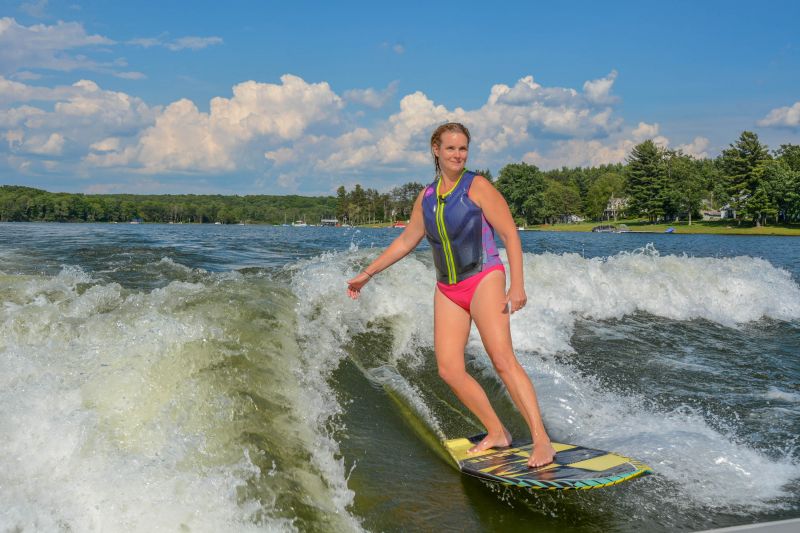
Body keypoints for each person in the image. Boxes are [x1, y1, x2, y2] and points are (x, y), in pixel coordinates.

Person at [346, 122, 556, 468]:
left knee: (502, 360)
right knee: (449, 369)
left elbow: (510, 235)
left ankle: (542, 440)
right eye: (451, 149)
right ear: (436, 150)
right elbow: (405, 241)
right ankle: (497, 432)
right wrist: (367, 275)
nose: (458, 155)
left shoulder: (478, 186)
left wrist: (516, 285)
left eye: (463, 149)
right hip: (447, 288)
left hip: (485, 276)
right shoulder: (427, 197)